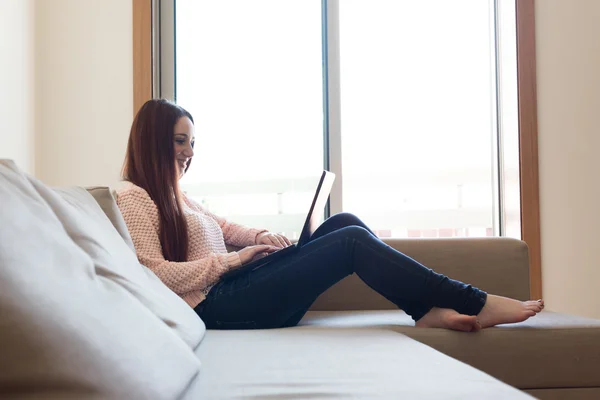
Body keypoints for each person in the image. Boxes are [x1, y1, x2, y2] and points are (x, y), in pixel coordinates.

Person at [116, 99, 544, 332]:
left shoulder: (180, 197)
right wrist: (232, 261)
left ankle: (424, 310)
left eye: (193, 143)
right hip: (215, 308)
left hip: (234, 291)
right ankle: (474, 301)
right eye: (180, 141)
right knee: (349, 244)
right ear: (152, 142)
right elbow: (151, 274)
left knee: (345, 223)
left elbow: (228, 228)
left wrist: (264, 236)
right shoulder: (134, 198)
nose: (190, 153)